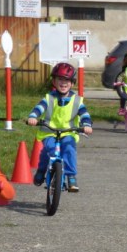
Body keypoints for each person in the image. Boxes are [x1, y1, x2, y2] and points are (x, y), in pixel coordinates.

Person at [28, 62, 93, 193]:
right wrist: (33, 117)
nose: (63, 83)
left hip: (68, 133)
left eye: (67, 80)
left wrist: (86, 125)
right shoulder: (49, 98)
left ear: (72, 83)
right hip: (49, 132)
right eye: (60, 79)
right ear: (54, 81)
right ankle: (41, 170)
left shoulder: (77, 100)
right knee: (50, 150)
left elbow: (84, 114)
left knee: (69, 149)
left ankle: (71, 176)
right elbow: (39, 108)